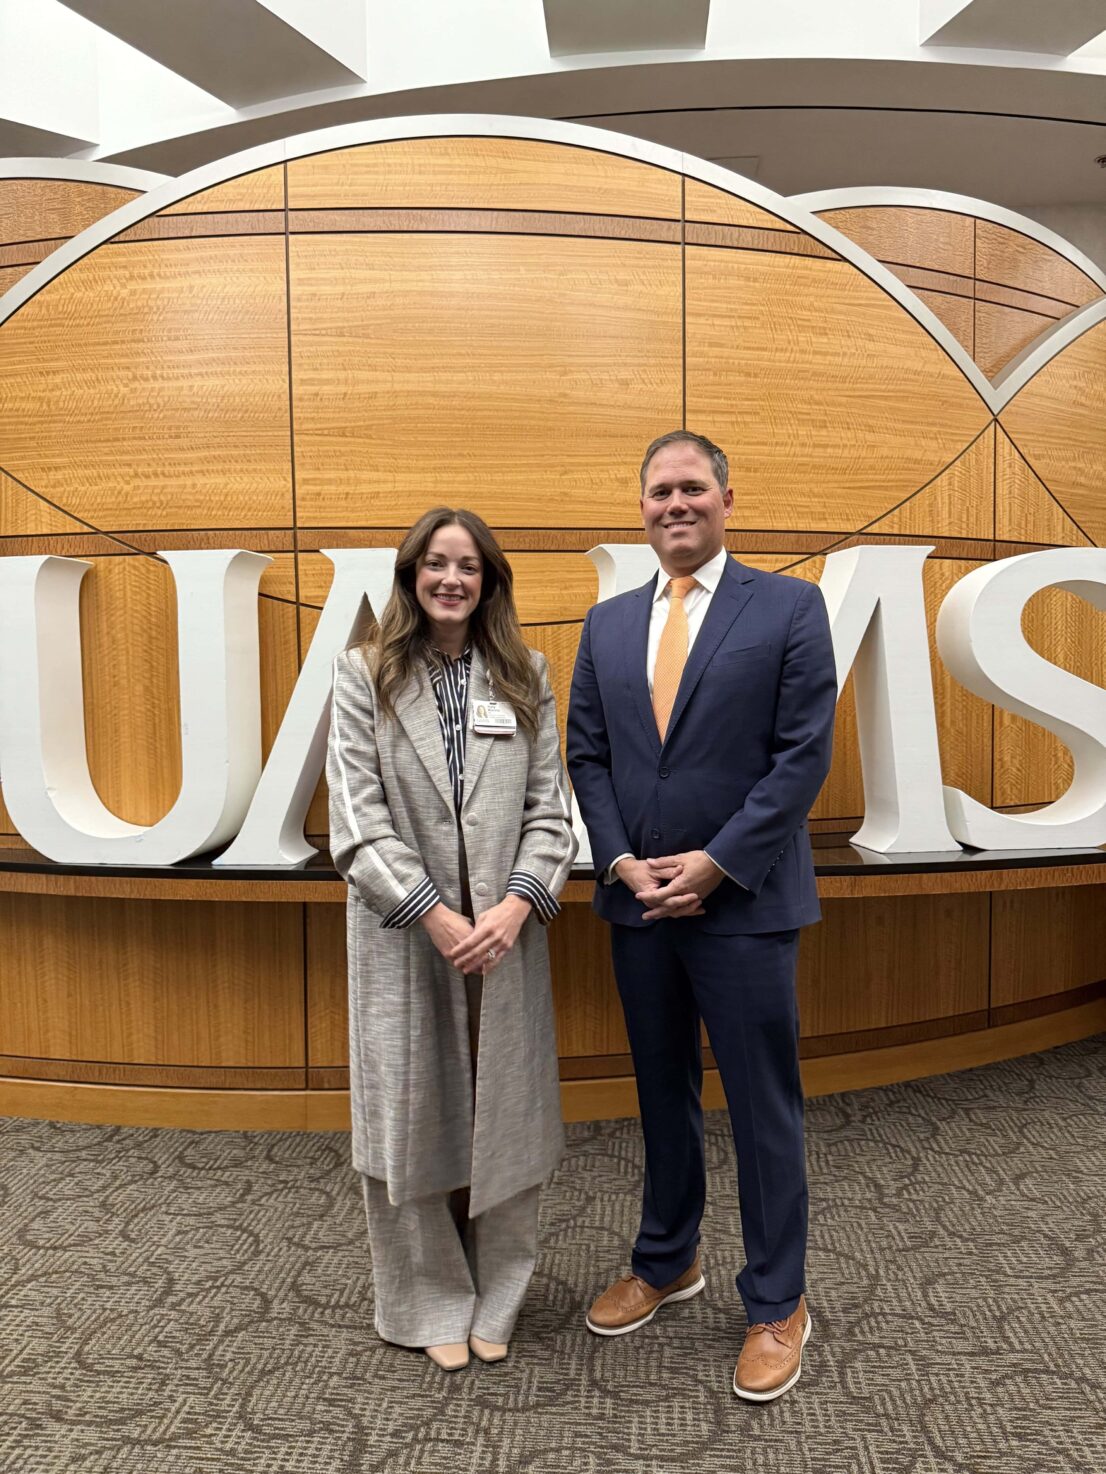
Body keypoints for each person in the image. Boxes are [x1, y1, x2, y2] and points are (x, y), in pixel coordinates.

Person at [566, 430, 837, 1401]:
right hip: (637, 903)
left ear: (726, 497)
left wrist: (717, 863)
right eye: (656, 491)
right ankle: (664, 1256)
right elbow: (587, 757)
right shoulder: (602, 625)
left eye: (690, 488)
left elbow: (802, 755)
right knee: (659, 1090)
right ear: (638, 508)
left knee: (762, 1107)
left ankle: (777, 1301)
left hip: (746, 903)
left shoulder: (790, 607)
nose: (673, 504)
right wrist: (620, 859)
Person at [327, 506, 577, 1373]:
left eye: (468, 566)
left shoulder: (527, 674)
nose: (451, 580)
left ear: (490, 582)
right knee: (411, 1118)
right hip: (407, 936)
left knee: (506, 1116)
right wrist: (437, 914)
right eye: (435, 564)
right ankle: (427, 1296)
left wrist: (512, 908)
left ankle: (500, 1293)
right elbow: (355, 823)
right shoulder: (362, 674)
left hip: (504, 939)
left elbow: (553, 813)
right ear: (409, 576)